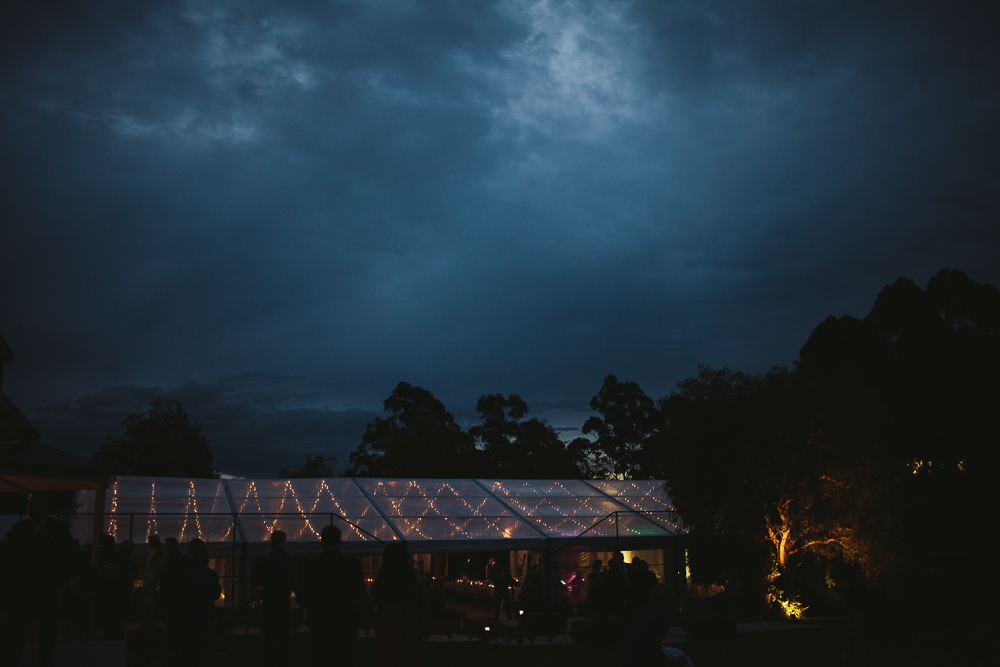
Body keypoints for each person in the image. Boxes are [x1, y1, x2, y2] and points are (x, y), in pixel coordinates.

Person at [0, 493, 77, 667]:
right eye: (31, 505)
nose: (32, 508)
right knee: (21, 630)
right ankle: (18, 658)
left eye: (35, 505)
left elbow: (68, 558)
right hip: (25, 591)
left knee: (43, 630)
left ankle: (43, 657)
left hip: (45, 589)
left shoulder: (55, 530)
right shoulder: (20, 530)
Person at [296, 524, 366, 667]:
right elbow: (361, 594)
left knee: (322, 658)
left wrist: (314, 607)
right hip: (346, 621)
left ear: (322, 541)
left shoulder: (311, 565)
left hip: (321, 621)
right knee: (345, 658)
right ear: (340, 541)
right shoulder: (352, 564)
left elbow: (301, 596)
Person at [369, 542, 424, 666]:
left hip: (387, 626)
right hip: (408, 625)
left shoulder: (383, 580)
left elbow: (370, 604)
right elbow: (423, 603)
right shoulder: (411, 579)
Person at [183, 538, 222, 666]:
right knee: (206, 644)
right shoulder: (210, 574)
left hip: (191, 613)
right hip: (206, 612)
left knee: (193, 644)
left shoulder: (188, 573)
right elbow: (216, 593)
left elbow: (184, 592)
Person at [261, 530, 295, 666]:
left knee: (271, 633)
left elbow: (268, 580)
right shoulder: (288, 559)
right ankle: (285, 658)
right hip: (283, 599)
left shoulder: (270, 559)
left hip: (271, 601)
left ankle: (271, 658)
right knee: (284, 632)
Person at [142, 534, 162, 622]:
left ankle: (151, 616)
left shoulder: (156, 551)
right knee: (148, 593)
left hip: (152, 574)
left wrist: (154, 575)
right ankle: (150, 616)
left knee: (147, 593)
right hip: (150, 574)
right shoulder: (154, 551)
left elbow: (159, 565)